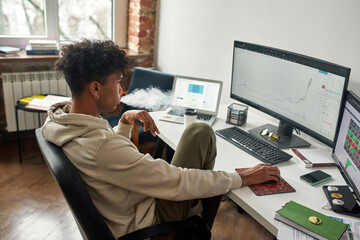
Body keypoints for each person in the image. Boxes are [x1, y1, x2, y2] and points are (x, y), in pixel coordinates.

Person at [41, 39, 280, 239]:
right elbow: (176, 181)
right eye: (117, 82)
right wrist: (242, 177)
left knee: (198, 132)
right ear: (95, 88)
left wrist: (124, 122)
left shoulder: (62, 121)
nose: (121, 90)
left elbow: (103, 156)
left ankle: (197, 214)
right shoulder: (102, 147)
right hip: (148, 224)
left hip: (128, 203)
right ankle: (196, 228)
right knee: (201, 134)